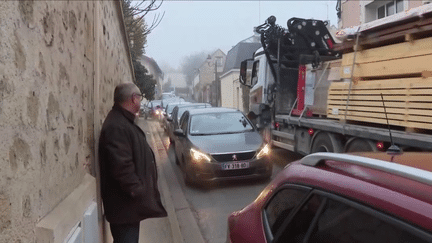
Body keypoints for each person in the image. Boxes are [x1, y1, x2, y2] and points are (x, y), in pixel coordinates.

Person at [99, 83, 167, 242]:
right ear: (133, 99)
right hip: (124, 209)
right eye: (140, 98)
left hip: (127, 208)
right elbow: (121, 166)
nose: (141, 102)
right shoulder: (117, 126)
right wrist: (138, 190)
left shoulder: (122, 121)